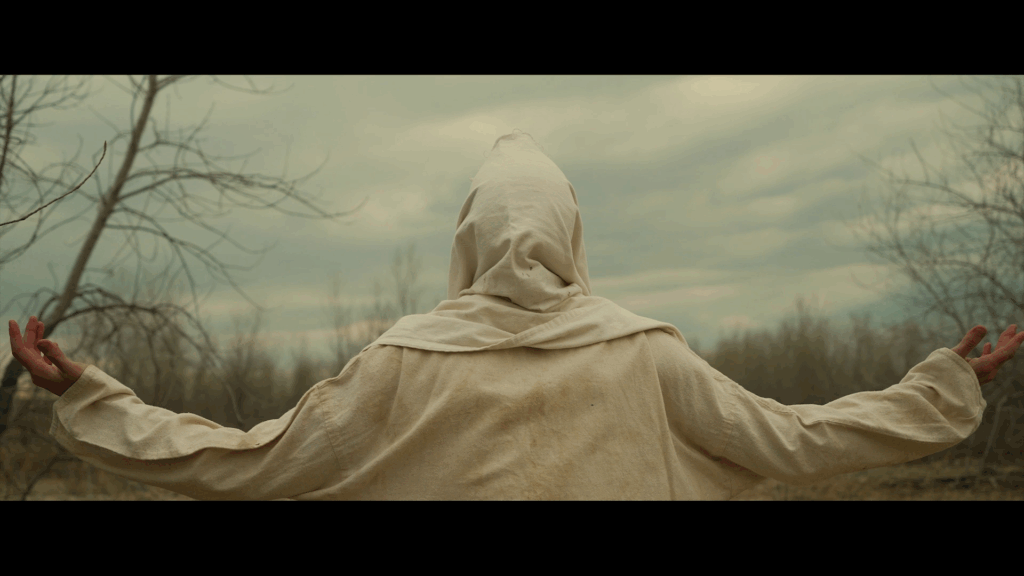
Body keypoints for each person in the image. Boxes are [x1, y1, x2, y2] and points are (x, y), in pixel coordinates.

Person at [8, 130, 1024, 500]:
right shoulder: (644, 355)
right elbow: (798, 441)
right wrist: (939, 392)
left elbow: (244, 463)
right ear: (574, 231)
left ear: (464, 236)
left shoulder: (404, 362)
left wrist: (96, 399)